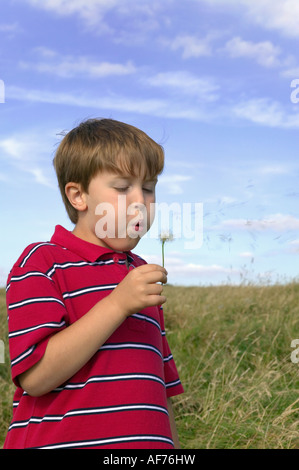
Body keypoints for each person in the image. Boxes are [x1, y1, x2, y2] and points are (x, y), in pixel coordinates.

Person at [4, 118, 183, 449]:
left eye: (148, 188)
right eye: (121, 188)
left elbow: (160, 390)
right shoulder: (43, 262)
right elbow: (36, 377)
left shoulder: (139, 273)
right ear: (78, 195)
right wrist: (116, 305)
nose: (139, 201)